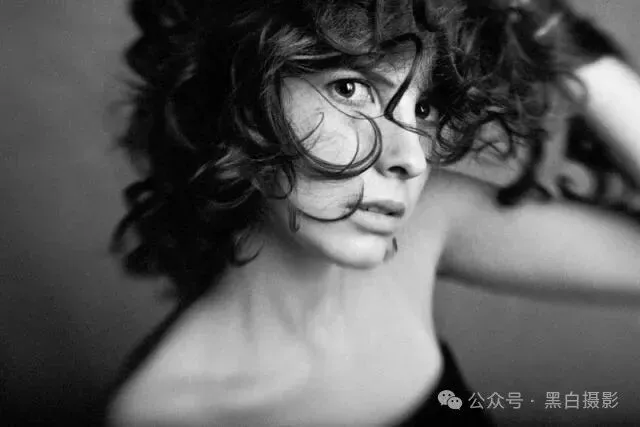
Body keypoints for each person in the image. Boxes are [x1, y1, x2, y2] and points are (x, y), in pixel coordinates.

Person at [101, 0, 640, 425]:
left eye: (423, 108)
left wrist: (544, 24)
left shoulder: (426, 224)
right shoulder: (166, 413)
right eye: (351, 89)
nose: (411, 157)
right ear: (237, 101)